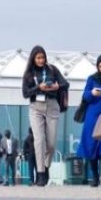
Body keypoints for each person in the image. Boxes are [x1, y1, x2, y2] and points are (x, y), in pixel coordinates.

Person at [22, 46, 69, 186]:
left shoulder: (52, 69)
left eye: (43, 57)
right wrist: (38, 88)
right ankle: (41, 173)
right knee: (39, 140)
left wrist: (56, 87)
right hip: (36, 107)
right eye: (38, 58)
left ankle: (46, 166)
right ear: (33, 59)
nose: (41, 60)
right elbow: (25, 93)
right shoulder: (29, 74)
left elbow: (66, 84)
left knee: (51, 143)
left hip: (52, 105)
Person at [74, 54, 101, 187]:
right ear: (97, 66)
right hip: (92, 116)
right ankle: (95, 177)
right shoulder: (92, 79)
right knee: (91, 145)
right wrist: (92, 93)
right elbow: (85, 95)